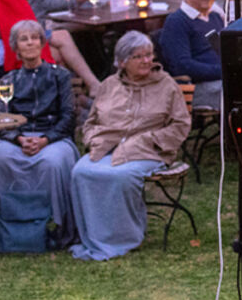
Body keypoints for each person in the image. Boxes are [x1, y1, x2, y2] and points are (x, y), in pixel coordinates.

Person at [69, 31, 191, 261]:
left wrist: (151, 140)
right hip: (107, 147)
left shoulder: (167, 85)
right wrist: (95, 140)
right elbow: (91, 121)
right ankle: (93, 236)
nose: (146, 61)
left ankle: (123, 238)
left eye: (149, 55)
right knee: (81, 171)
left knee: (121, 176)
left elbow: (181, 125)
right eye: (138, 57)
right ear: (122, 61)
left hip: (148, 151)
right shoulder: (109, 85)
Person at [0, 20, 78, 244]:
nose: (30, 42)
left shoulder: (60, 76)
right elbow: (1, 119)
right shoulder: (8, 81)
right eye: (24, 39)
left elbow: (68, 115)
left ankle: (59, 226)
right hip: (17, 138)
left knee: (52, 162)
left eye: (34, 38)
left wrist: (45, 140)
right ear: (16, 47)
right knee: (2, 157)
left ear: (42, 43)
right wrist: (19, 139)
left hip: (53, 137)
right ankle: (10, 225)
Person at [158, 0, 229, 109]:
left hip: (223, 80)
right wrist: (223, 72)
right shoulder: (177, 21)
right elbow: (182, 66)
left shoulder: (215, 17)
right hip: (198, 88)